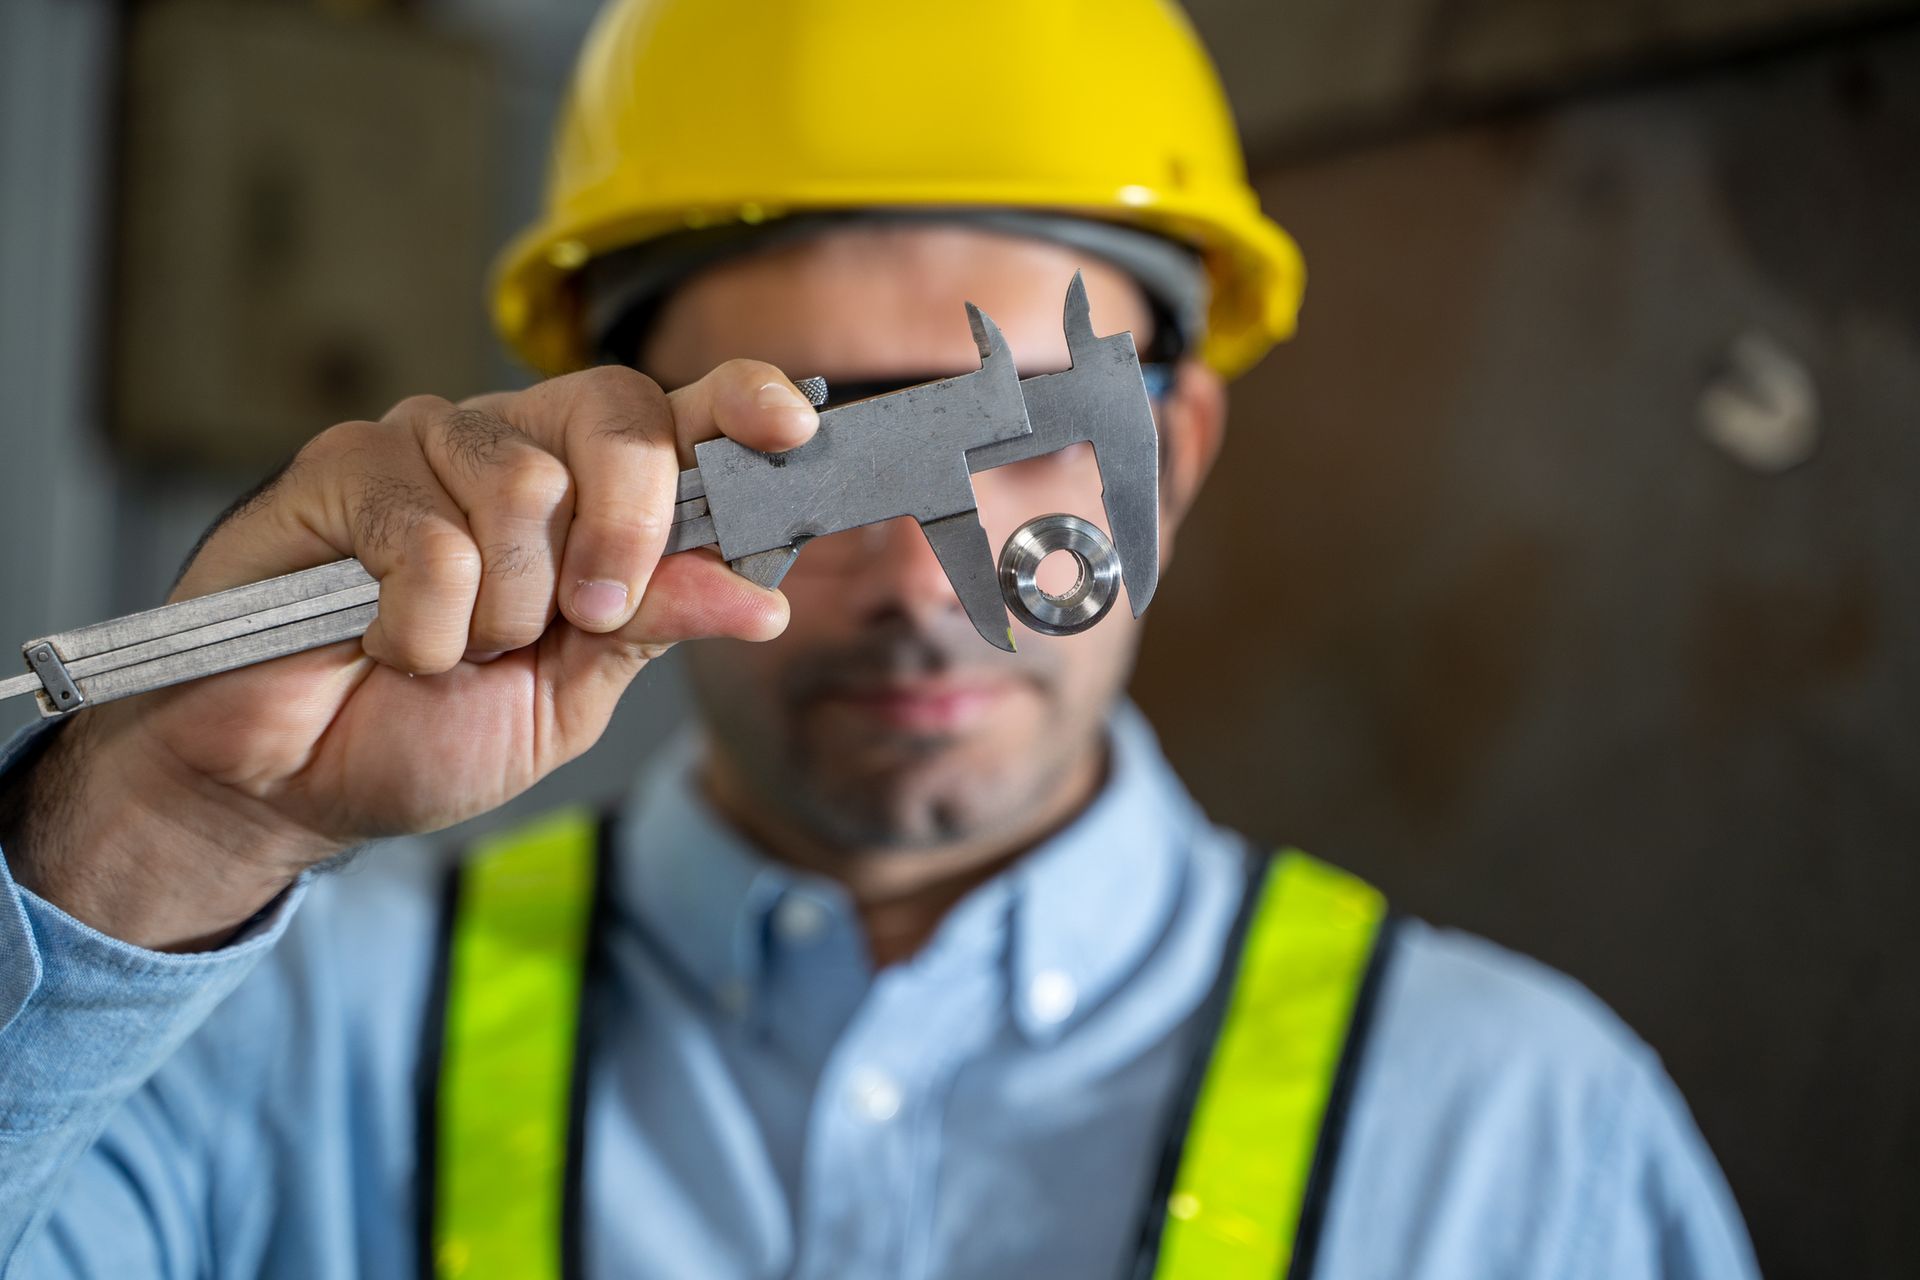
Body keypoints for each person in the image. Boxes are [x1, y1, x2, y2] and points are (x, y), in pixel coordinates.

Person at [0, 1, 1759, 1277]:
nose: (920, 583)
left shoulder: (1523, 1133)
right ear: (619, 458)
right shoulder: (254, 1042)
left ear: (1182, 449)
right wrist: (168, 828)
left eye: (1021, 436)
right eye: (797, 454)